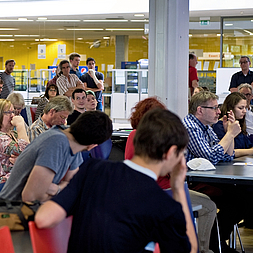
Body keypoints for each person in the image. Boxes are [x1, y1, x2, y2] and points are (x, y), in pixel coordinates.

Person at [35, 109, 198, 253]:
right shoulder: (165, 206)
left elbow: (44, 219)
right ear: (170, 153)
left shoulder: (93, 169)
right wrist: (178, 189)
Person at [125, 97, 216, 253]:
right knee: (209, 206)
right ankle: (203, 249)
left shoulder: (134, 136)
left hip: (148, 193)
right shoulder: (151, 138)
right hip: (163, 190)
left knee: (206, 200)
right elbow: (164, 170)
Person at [0, 111, 113, 202]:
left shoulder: (72, 143)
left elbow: (73, 185)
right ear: (92, 146)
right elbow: (31, 197)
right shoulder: (56, 142)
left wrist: (55, 189)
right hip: (12, 214)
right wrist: (59, 189)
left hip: (27, 212)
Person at [183, 91, 243, 252]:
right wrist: (230, 134)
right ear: (200, 110)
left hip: (205, 178)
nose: (219, 112)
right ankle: (216, 244)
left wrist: (228, 133)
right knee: (238, 199)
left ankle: (217, 242)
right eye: (215, 108)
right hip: (190, 182)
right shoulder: (190, 127)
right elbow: (210, 157)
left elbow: (227, 156)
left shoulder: (206, 127)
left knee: (241, 197)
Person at [0, 99, 29, 184]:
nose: (12, 116)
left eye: (13, 112)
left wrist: (21, 160)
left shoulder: (14, 134)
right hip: (6, 183)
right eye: (8, 112)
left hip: (18, 178)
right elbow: (26, 151)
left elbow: (30, 153)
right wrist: (20, 125)